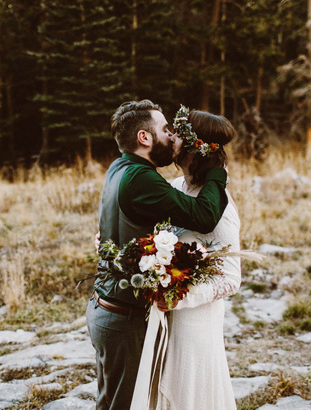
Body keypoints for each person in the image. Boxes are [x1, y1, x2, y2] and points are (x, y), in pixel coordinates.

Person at [87, 100, 230, 410]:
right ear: (144, 138)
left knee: (111, 402)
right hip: (123, 318)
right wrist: (218, 170)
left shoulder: (120, 168)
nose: (171, 135)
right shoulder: (143, 179)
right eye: (165, 129)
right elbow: (205, 216)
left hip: (105, 308)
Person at [132, 107, 241, 410]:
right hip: (162, 318)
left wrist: (179, 298)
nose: (170, 136)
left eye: (178, 132)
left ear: (198, 147)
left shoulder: (221, 209)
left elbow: (231, 278)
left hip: (194, 323)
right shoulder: (176, 188)